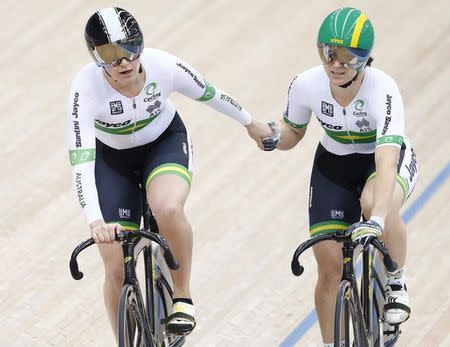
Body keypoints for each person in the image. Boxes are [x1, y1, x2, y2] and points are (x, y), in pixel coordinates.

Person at [67, 6, 260, 342]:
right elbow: (81, 161)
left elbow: (211, 94)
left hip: (164, 144)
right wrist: (96, 222)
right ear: (95, 58)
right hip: (113, 162)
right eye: (111, 54)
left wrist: (250, 123)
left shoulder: (163, 65)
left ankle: (182, 298)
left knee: (167, 207)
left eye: (131, 47)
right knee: (115, 266)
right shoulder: (84, 89)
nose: (124, 61)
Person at [247, 7, 419, 346]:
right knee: (329, 267)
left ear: (365, 59)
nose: (336, 64)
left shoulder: (383, 90)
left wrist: (378, 218)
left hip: (382, 160)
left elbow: (386, 163)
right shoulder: (307, 83)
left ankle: (396, 279)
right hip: (335, 164)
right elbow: (292, 133)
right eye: (328, 53)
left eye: (346, 57)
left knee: (374, 203)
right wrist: (271, 134)